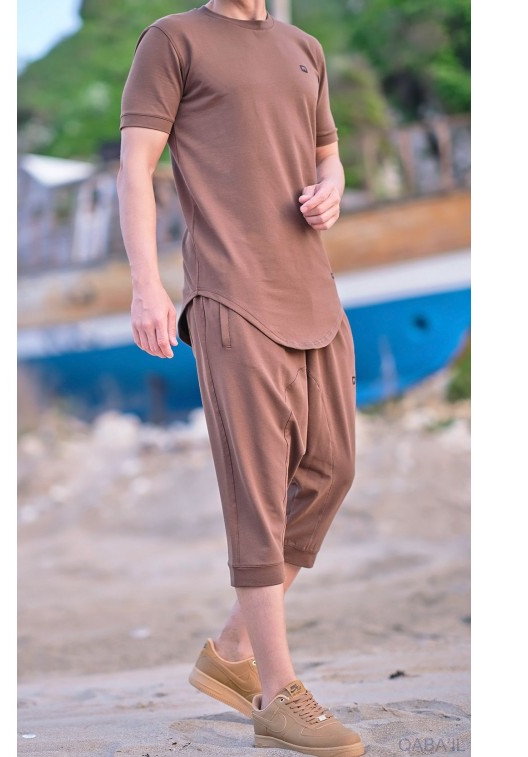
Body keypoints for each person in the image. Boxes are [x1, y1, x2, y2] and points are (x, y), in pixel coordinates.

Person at [117, 2, 364, 755]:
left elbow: (327, 155)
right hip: (229, 292)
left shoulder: (303, 46)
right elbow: (135, 169)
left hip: (313, 289)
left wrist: (332, 187)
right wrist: (147, 286)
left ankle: (231, 648)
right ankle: (277, 692)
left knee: (331, 470)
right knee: (256, 490)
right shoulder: (173, 40)